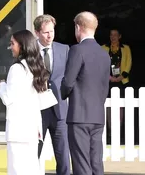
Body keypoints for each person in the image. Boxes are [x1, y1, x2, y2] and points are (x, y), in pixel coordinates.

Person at [61, 11, 110, 175]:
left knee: (81, 164)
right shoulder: (104, 54)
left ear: (78, 27)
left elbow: (68, 82)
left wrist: (63, 93)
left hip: (79, 115)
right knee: (96, 163)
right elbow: (105, 87)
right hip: (97, 115)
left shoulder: (77, 50)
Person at [0, 29, 49, 175]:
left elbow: (8, 98)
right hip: (32, 128)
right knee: (32, 168)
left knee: (17, 170)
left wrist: (1, 86)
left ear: (22, 45)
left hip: (18, 129)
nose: (10, 47)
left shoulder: (17, 68)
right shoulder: (37, 67)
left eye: (12, 43)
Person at [34, 14, 71, 175]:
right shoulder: (29, 50)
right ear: (37, 33)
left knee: (63, 156)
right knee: (33, 154)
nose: (50, 35)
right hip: (37, 111)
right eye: (45, 32)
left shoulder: (64, 49)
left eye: (52, 31)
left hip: (59, 110)